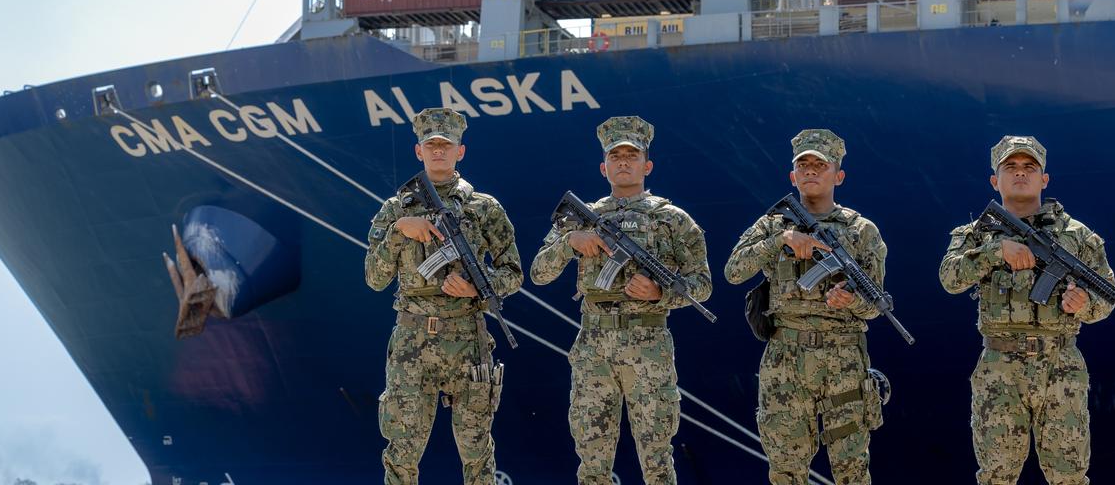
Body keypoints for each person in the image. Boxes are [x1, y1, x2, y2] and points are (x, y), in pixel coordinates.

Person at [531, 115, 711, 484]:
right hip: (594, 346)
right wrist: (570, 243)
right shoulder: (583, 219)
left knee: (657, 457)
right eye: (616, 156)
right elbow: (538, 273)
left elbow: (702, 285)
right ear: (604, 167)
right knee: (592, 457)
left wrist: (660, 294)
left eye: (632, 155)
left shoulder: (673, 220)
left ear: (647, 165)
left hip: (649, 347)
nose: (624, 162)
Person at [940, 135, 1114, 485]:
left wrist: (1085, 305)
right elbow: (950, 277)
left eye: (1029, 168)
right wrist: (995, 252)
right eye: (1011, 167)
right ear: (995, 180)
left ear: (1044, 179)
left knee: (1069, 476)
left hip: (1060, 367)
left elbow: (1105, 298)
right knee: (996, 476)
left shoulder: (1077, 236)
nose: (1021, 173)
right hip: (999, 369)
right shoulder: (975, 234)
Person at [365, 107, 523, 485]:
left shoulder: (484, 209)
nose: (438, 151)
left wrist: (476, 287)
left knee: (476, 450)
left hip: (467, 339)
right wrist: (400, 230)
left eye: (446, 145)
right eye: (431, 145)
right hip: (411, 342)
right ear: (418, 151)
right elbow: (374, 278)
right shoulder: (395, 210)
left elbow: (513, 273)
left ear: (460, 152)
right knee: (402, 450)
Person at [724, 129, 887, 485]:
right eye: (804, 164)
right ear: (793, 175)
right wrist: (780, 240)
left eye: (821, 164)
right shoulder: (772, 225)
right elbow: (733, 271)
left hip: (843, 357)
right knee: (785, 469)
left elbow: (874, 305)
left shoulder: (862, 231)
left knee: (851, 469)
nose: (811, 171)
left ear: (838, 175)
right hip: (786, 356)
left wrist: (851, 299)